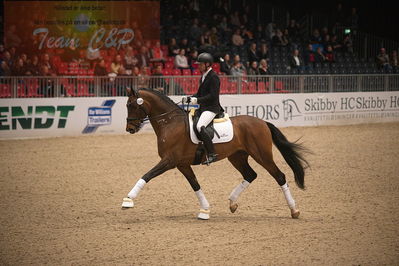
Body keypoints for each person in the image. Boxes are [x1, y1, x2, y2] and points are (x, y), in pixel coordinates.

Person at [183, 53, 223, 165]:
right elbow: (200, 93)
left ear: (207, 64)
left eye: (200, 64)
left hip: (211, 108)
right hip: (203, 107)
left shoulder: (214, 77)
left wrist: (197, 100)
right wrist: (190, 98)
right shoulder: (204, 76)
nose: (198, 66)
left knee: (200, 126)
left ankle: (212, 154)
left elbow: (213, 96)